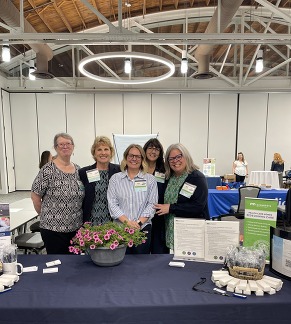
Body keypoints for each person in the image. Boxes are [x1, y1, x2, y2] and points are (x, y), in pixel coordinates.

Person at [31, 133, 84, 254]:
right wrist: (45, 215)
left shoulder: (78, 169)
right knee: (58, 264)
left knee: (75, 265)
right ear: (55, 147)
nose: (65, 146)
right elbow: (35, 197)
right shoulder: (48, 170)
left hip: (76, 228)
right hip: (53, 229)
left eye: (68, 144)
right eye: (61, 144)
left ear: (73, 147)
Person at [154, 143, 209, 251]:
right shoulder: (169, 177)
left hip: (191, 230)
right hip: (171, 228)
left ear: (186, 156)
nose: (175, 161)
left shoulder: (197, 178)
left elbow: (198, 206)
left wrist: (170, 208)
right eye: (171, 159)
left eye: (179, 156)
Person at [107, 144, 158, 254]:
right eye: (131, 156)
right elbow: (112, 203)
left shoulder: (150, 179)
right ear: (126, 158)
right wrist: (127, 222)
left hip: (142, 228)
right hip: (120, 229)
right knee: (120, 264)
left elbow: (152, 204)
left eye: (137, 156)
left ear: (142, 159)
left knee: (140, 265)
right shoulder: (115, 179)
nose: (134, 159)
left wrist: (138, 224)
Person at [79, 136, 120, 225]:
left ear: (111, 152)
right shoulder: (84, 173)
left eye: (106, 149)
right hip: (91, 222)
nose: (103, 153)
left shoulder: (119, 171)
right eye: (99, 150)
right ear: (94, 153)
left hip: (115, 222)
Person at [143, 138, 168, 254]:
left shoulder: (165, 169)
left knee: (159, 248)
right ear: (145, 150)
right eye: (150, 148)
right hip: (141, 214)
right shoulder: (138, 168)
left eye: (157, 149)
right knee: (142, 248)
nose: (153, 151)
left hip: (159, 213)